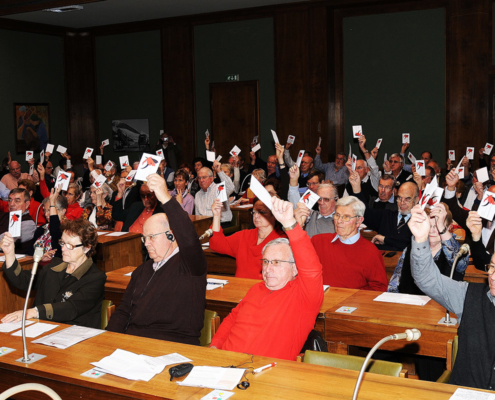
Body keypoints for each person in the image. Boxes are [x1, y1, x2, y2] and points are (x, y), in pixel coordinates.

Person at [210, 197, 323, 361]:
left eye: (276, 263)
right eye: (266, 262)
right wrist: (215, 345)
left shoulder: (303, 297)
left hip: (262, 373)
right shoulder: (256, 289)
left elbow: (311, 269)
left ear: (294, 268)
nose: (268, 269)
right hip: (224, 363)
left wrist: (290, 223)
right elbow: (232, 320)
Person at [107, 173, 207, 345]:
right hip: (133, 343)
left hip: (173, 345)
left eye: (152, 237)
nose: (147, 244)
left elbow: (189, 238)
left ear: (171, 235)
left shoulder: (189, 265)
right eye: (144, 238)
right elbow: (124, 311)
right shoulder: (142, 270)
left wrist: (166, 198)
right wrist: (107, 340)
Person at [408, 204, 495, 390]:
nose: (493, 276)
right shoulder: (469, 296)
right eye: (492, 267)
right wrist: (421, 238)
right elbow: (426, 279)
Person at [1, 218, 105, 329]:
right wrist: (9, 253)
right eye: (62, 243)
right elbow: (23, 281)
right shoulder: (53, 266)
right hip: (42, 329)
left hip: (75, 334)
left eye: (70, 245)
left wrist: (33, 312)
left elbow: (71, 308)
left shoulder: (95, 277)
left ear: (86, 248)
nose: (63, 249)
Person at [388, 202, 469, 294]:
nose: (432, 230)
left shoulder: (458, 251)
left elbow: (461, 265)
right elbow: (395, 280)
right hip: (410, 303)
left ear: (448, 227)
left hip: (440, 306)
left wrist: (442, 228)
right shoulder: (411, 248)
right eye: (429, 226)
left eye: (437, 226)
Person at [311, 196, 388, 291]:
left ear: (359, 221)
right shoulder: (318, 241)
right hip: (319, 301)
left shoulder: (371, 252)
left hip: (352, 304)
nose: (339, 221)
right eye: (337, 215)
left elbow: (379, 289)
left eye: (346, 217)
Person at [210, 197, 286, 279]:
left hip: (264, 290)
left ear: (274, 215)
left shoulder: (282, 241)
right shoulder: (245, 235)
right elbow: (216, 244)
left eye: (262, 212)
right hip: (239, 288)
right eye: (254, 212)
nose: (256, 216)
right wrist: (217, 215)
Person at [350, 172, 418, 251]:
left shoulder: (419, 221)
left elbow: (408, 243)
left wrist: (385, 239)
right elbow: (365, 213)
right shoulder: (387, 215)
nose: (402, 203)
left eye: (407, 199)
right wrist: (356, 189)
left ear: (416, 200)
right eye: (399, 198)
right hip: (382, 261)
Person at [30, 188, 67, 263]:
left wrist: (52, 203)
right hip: (37, 265)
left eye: (50, 210)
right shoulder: (41, 229)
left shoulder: (67, 230)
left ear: (63, 211)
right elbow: (29, 252)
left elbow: (55, 231)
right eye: (45, 210)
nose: (46, 214)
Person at [195, 162, 234, 227]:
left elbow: (230, 188)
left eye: (204, 177)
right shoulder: (197, 194)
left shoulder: (219, 188)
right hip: (204, 225)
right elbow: (197, 216)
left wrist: (219, 171)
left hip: (221, 224)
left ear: (212, 178)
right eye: (199, 178)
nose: (201, 180)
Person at [0, 188, 37, 253]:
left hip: (16, 260)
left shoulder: (29, 224)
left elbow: (5, 242)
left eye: (17, 201)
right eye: (10, 200)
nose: (11, 204)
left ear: (27, 204)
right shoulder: (3, 216)